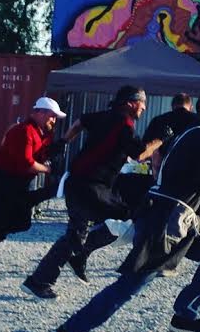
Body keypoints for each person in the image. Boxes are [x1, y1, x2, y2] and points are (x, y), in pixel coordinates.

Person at [54, 89, 200, 332]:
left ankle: (185, 314)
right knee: (132, 283)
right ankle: (72, 330)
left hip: (178, 215)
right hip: (166, 219)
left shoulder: (192, 132)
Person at [22, 85, 161, 299]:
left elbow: (79, 122)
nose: (144, 108)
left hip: (81, 182)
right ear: (131, 103)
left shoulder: (103, 116)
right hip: (91, 186)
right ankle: (46, 276)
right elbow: (140, 154)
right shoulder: (124, 125)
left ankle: (62, 266)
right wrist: (160, 140)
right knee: (126, 217)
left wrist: (64, 141)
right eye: (142, 103)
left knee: (83, 232)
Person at [0, 97, 68, 275]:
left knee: (22, 223)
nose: (54, 120)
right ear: (40, 113)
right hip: (0, 181)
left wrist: (55, 149)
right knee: (1, 222)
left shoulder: (41, 133)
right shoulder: (23, 131)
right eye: (52, 116)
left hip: (17, 182)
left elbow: (40, 155)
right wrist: (48, 169)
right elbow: (26, 163)